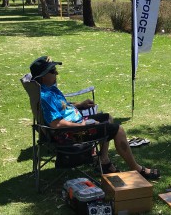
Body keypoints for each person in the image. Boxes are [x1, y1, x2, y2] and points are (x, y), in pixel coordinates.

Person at [29, 56, 160, 180]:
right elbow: (56, 124)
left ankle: (103, 160)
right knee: (118, 129)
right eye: (52, 71)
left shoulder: (50, 89)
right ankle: (137, 169)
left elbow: (62, 107)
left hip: (75, 126)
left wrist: (80, 105)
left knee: (108, 118)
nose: (56, 73)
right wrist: (84, 126)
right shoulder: (46, 97)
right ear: (43, 76)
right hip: (69, 135)